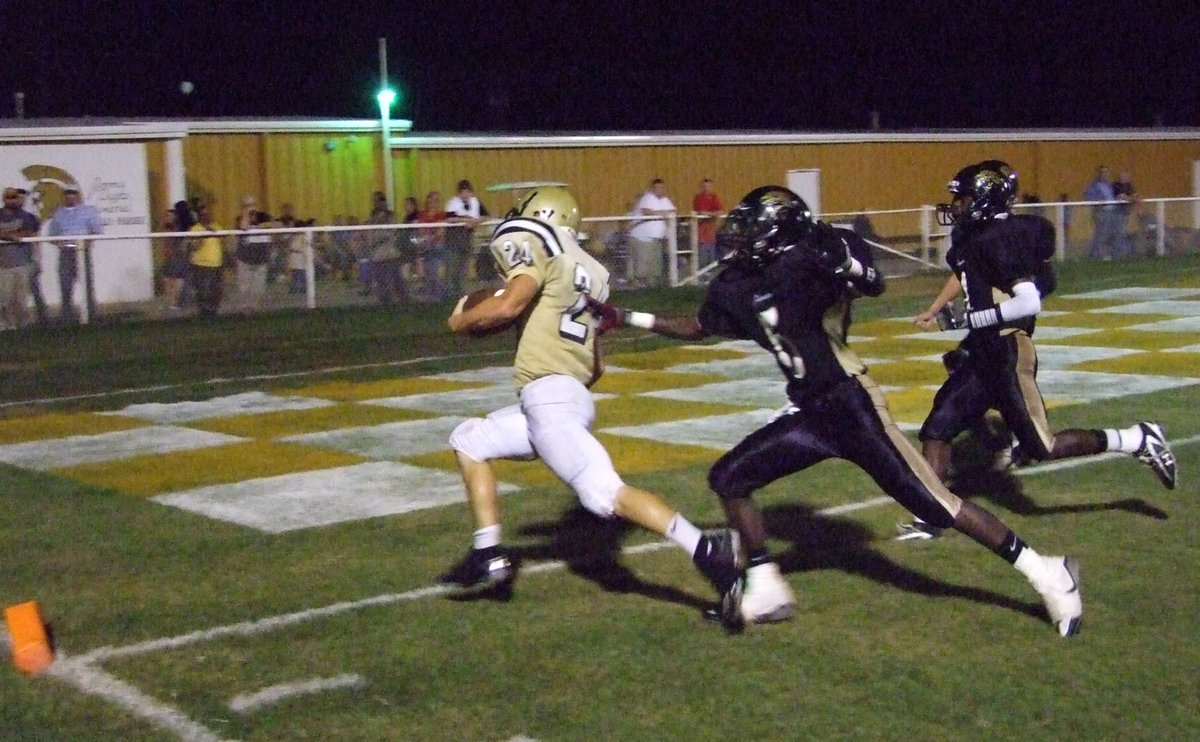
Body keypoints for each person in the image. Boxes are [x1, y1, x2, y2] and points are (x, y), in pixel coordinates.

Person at [587, 185, 1085, 637]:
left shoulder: (811, 261)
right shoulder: (739, 284)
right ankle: (766, 586)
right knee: (730, 477)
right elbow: (700, 325)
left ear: (781, 235)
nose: (739, 240)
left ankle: (1047, 571)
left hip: (852, 405)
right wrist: (629, 317)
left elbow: (870, 281)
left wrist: (843, 263)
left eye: (752, 230)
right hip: (810, 414)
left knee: (935, 504)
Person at [440, 184, 742, 619]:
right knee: (469, 439)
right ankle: (488, 553)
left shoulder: (529, 237)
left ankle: (706, 548)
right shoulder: (591, 271)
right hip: (569, 396)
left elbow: (510, 304)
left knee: (605, 494)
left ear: (538, 214)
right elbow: (596, 366)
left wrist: (463, 320)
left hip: (548, 399)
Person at [895, 161, 1177, 540]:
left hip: (1007, 350)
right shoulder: (974, 238)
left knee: (1041, 447)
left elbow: (1028, 302)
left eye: (961, 198)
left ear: (982, 199)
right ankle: (933, 514)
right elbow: (965, 273)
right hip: (983, 351)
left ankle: (1137, 439)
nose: (955, 205)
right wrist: (935, 307)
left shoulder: (1001, 239)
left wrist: (968, 320)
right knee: (937, 428)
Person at [46, 184, 104, 324]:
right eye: (67, 193)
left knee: (87, 284)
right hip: (66, 251)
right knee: (65, 285)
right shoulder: (58, 214)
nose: (70, 196)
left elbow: (96, 229)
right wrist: (59, 244)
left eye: (72, 193)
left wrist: (87, 244)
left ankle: (91, 316)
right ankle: (67, 317)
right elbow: (52, 235)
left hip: (82, 251)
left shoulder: (88, 211)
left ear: (78, 195)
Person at [0, 187, 40, 329]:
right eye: (9, 197)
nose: (12, 200)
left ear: (18, 198)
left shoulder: (26, 216)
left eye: (14, 197)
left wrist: (9, 234)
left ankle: (23, 326)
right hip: (4, 265)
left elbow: (30, 232)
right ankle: (7, 325)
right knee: (5, 299)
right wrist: (9, 236)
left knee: (21, 299)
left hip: (23, 263)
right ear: (4, 199)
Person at [444, 179, 490, 298]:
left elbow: (486, 216)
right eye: (462, 192)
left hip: (467, 238)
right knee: (452, 268)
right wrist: (465, 219)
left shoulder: (475, 202)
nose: (465, 195)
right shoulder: (452, 203)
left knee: (463, 268)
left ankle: (460, 293)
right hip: (454, 239)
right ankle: (449, 294)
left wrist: (476, 221)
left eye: (467, 192)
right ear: (459, 193)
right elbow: (449, 219)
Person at [627, 178, 675, 288]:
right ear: (652, 188)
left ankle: (650, 286)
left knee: (654, 265)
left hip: (656, 239)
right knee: (642, 264)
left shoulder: (664, 200)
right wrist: (662, 213)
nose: (659, 190)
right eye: (657, 187)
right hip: (643, 238)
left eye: (661, 187)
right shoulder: (647, 198)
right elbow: (646, 211)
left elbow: (672, 211)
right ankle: (638, 286)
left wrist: (662, 213)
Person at [233, 197, 274, 315]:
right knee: (244, 288)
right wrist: (246, 213)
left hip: (261, 259)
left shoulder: (263, 216)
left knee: (258, 289)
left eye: (251, 204)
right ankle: (244, 309)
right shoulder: (240, 218)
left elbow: (273, 225)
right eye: (246, 205)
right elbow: (243, 227)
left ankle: (252, 308)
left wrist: (261, 226)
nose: (250, 207)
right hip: (245, 259)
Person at [187, 203, 226, 317]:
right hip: (202, 265)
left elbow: (223, 242)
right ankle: (204, 312)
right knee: (203, 290)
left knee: (217, 289)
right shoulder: (195, 229)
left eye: (207, 214)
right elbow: (194, 247)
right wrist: (204, 234)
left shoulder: (217, 226)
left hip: (217, 264)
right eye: (203, 214)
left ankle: (214, 311)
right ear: (199, 216)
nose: (206, 216)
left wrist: (214, 233)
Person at [1083, 165, 1122, 260]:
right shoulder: (1094, 185)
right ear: (1099, 174)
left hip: (1112, 211)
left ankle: (1113, 254)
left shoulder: (1110, 185)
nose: (1105, 174)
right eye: (1103, 172)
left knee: (1113, 233)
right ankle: (1096, 255)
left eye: (1106, 172)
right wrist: (1098, 202)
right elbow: (1088, 197)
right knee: (1101, 234)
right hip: (1102, 212)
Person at [416, 190, 447, 300]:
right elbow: (420, 229)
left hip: (437, 244)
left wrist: (431, 237)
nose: (433, 202)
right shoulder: (422, 214)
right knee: (428, 270)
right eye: (431, 199)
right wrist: (425, 238)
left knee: (436, 270)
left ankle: (438, 295)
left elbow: (441, 230)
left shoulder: (441, 214)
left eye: (436, 200)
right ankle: (430, 295)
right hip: (426, 245)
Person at [692, 177, 724, 272]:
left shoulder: (714, 197)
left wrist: (709, 214)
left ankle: (710, 276)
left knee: (711, 257)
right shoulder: (698, 198)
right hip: (701, 233)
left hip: (711, 233)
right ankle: (701, 277)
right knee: (702, 257)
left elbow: (720, 211)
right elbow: (699, 212)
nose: (707, 188)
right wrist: (707, 214)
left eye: (709, 186)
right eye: (705, 186)